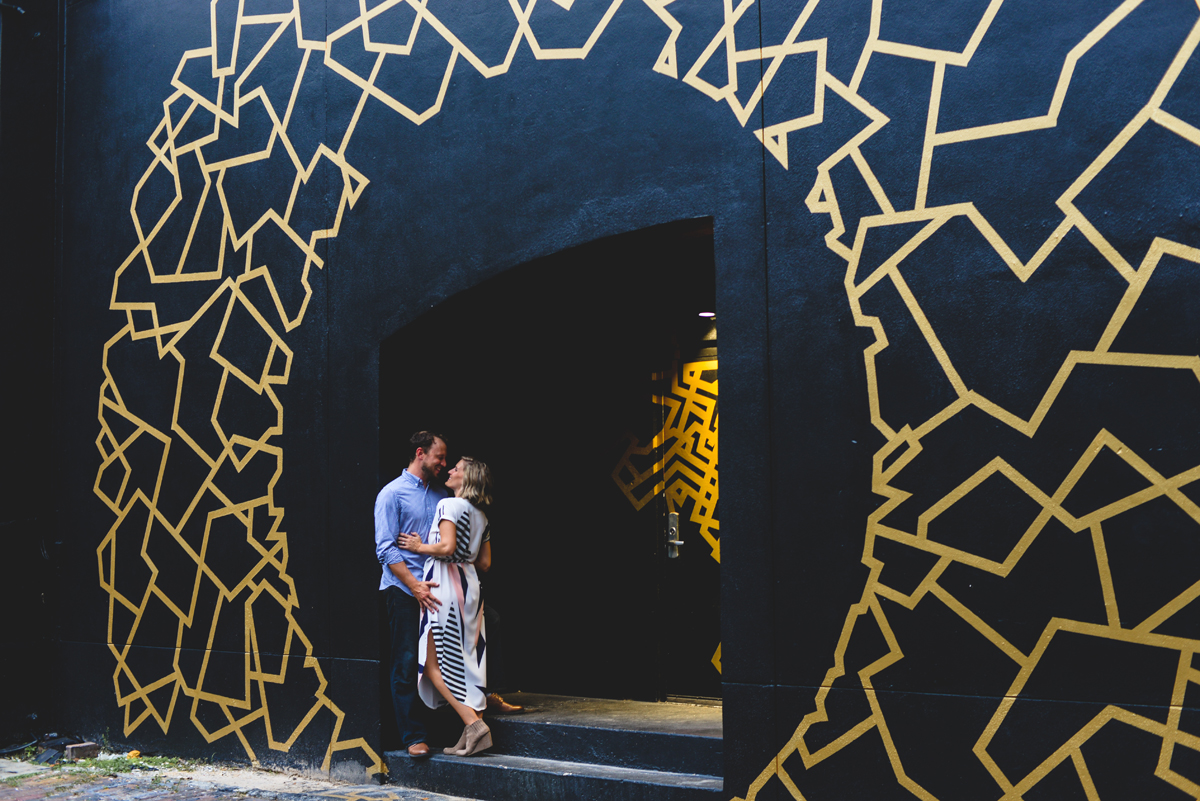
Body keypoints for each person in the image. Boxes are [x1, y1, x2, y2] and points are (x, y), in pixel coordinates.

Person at [398, 457, 494, 756]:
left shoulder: (448, 505)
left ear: (467, 478)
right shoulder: (481, 515)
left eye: (457, 468)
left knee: (430, 663)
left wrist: (418, 547)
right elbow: (485, 563)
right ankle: (472, 730)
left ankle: (474, 724)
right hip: (469, 585)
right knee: (465, 661)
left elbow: (446, 548)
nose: (450, 471)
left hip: (443, 584)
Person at [375, 431, 448, 759]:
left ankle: (444, 730)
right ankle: (412, 736)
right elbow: (385, 548)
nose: (444, 464)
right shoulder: (391, 494)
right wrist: (415, 586)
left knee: (441, 662)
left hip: (437, 591)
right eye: (439, 457)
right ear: (420, 453)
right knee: (406, 663)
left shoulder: (443, 495)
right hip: (404, 591)